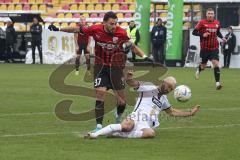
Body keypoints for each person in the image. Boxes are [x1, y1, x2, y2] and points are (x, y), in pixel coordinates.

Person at [48, 11, 148, 132]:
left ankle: (118, 117)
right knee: (100, 93)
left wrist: (145, 57)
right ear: (104, 22)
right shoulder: (96, 29)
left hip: (116, 68)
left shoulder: (121, 32)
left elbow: (132, 46)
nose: (114, 26)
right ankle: (99, 126)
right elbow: (76, 29)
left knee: (121, 101)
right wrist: (58, 29)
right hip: (100, 67)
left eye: (115, 23)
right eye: (111, 23)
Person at [85, 70, 200, 139]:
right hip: (136, 116)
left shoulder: (164, 100)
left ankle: (119, 135)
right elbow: (133, 83)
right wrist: (129, 79)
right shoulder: (149, 87)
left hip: (146, 123)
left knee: (150, 134)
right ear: (163, 82)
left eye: (171, 89)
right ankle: (95, 134)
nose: (169, 89)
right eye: (169, 86)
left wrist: (190, 113)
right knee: (127, 125)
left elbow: (172, 112)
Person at [192, 8, 226, 90]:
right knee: (203, 66)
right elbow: (194, 32)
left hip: (214, 47)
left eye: (212, 13)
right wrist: (202, 34)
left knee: (215, 63)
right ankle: (199, 69)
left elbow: (218, 32)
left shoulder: (217, 23)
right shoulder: (201, 22)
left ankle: (217, 83)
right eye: (209, 13)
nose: (210, 15)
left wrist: (223, 38)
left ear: (214, 15)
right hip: (205, 49)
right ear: (206, 14)